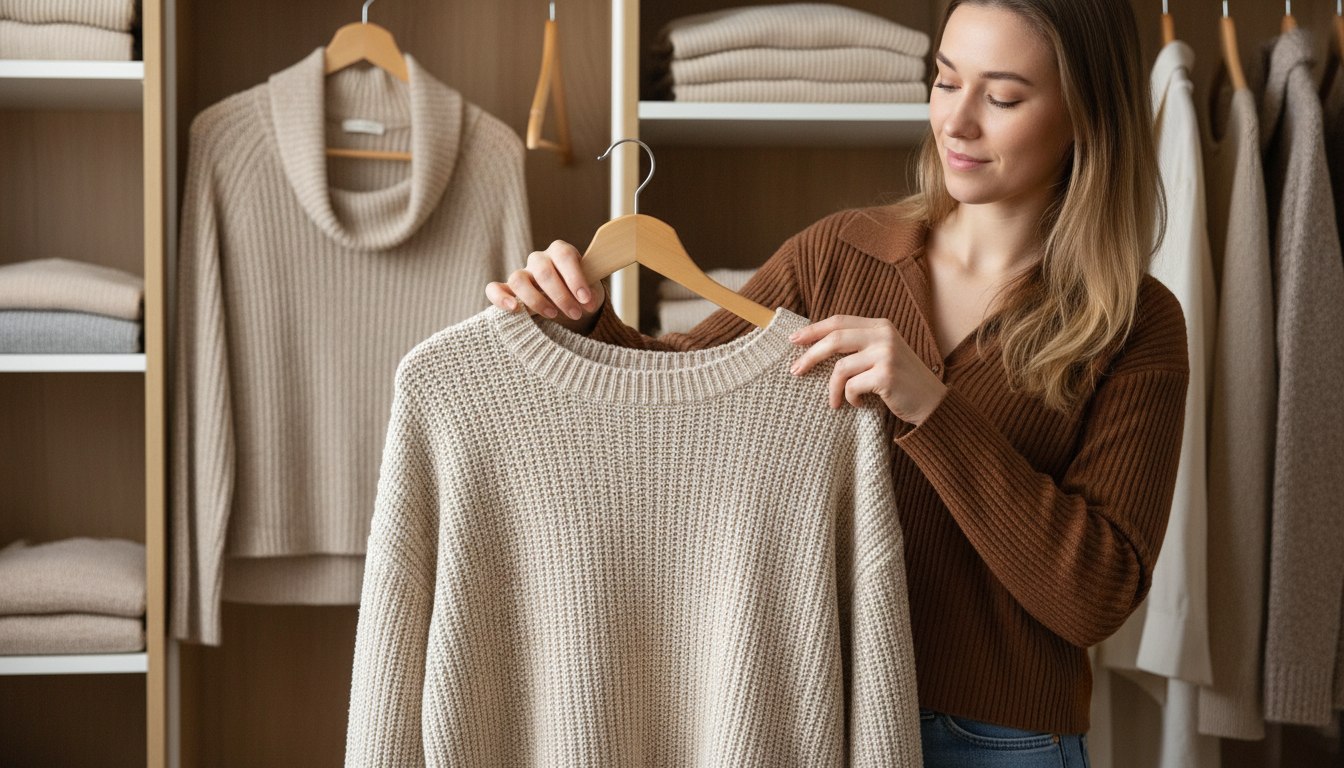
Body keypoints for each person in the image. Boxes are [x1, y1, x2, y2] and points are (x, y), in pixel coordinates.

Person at [486, 0, 1186, 764]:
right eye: (947, 82)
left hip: (997, 741)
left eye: (1004, 96)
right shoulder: (836, 255)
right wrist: (584, 322)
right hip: (810, 710)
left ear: (1087, 114)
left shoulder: (1134, 324)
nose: (957, 122)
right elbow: (687, 401)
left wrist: (932, 410)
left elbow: (1096, 598)